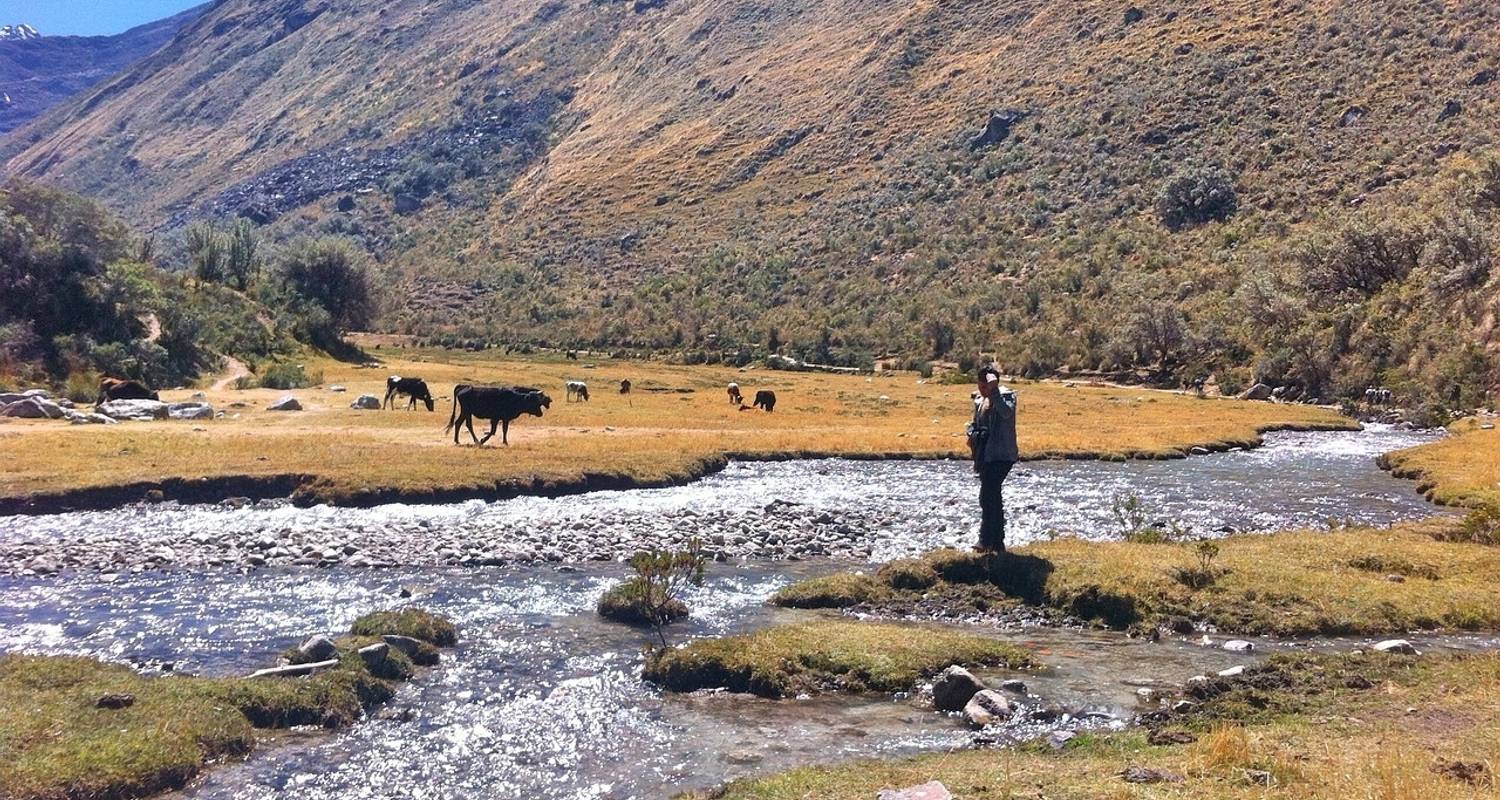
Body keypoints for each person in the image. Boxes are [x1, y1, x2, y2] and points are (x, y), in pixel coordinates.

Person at [967, 365, 1018, 552]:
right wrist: (972, 433)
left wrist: (994, 391)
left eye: (985, 386)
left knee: (987, 495)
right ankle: (997, 542)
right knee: (992, 496)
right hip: (985, 455)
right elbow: (975, 423)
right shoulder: (980, 400)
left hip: (1002, 454)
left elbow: (1006, 412)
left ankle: (985, 539)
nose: (982, 390)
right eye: (980, 386)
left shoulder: (1006, 395)